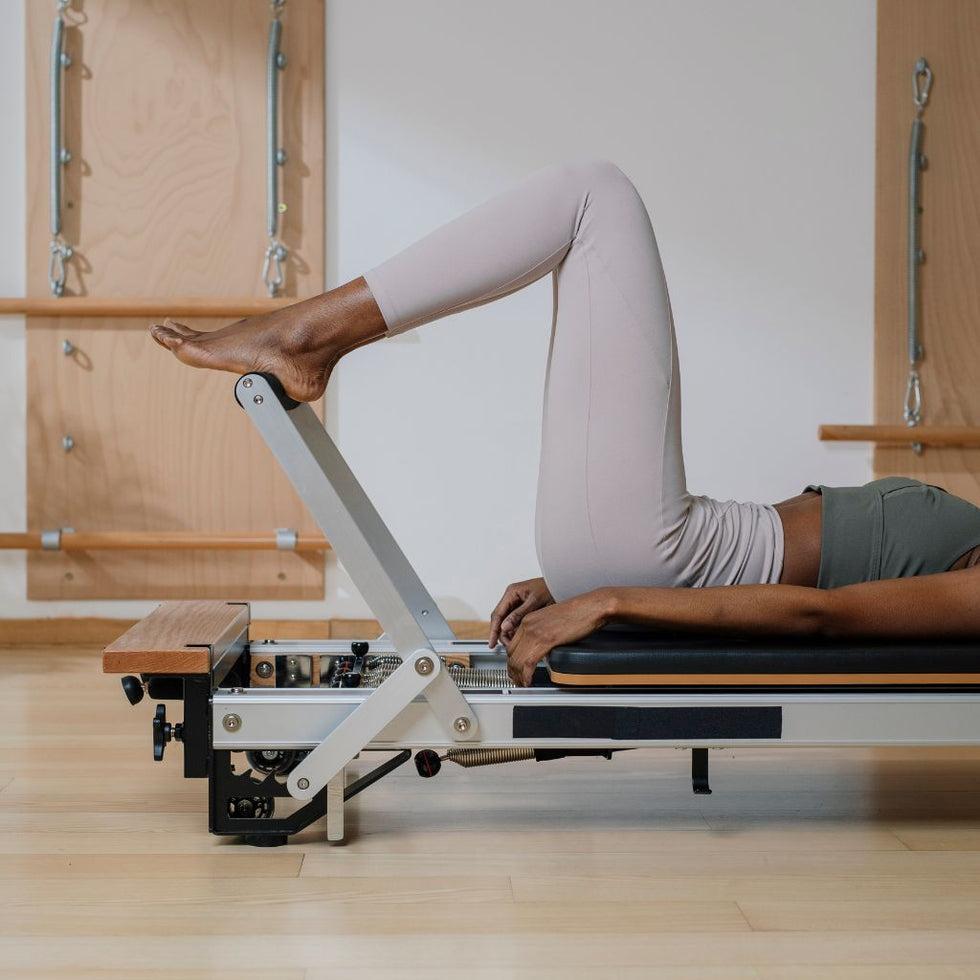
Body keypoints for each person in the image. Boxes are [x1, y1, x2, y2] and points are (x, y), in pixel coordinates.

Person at [151, 160, 980, 686]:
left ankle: (306, 336)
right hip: (653, 551)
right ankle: (306, 335)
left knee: (594, 197)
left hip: (658, 558)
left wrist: (610, 596)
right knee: (592, 202)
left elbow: (821, 617)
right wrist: (578, 582)